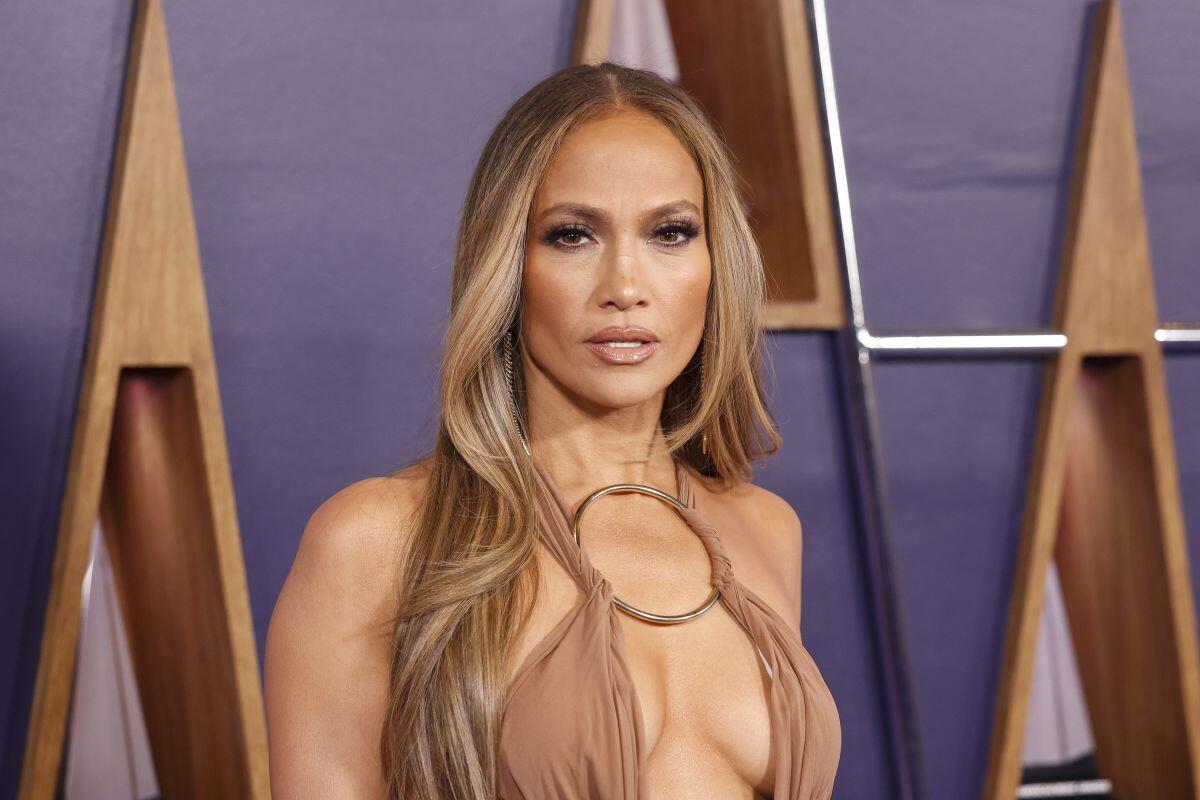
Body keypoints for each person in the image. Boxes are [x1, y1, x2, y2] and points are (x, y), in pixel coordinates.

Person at [264, 61, 841, 799]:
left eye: (669, 232)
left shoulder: (765, 529)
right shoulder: (378, 541)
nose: (625, 287)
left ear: (714, 262)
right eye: (572, 236)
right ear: (508, 264)